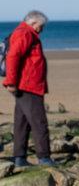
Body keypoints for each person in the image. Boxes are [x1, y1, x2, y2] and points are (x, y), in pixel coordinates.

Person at [2, 10, 54, 168]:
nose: (42, 29)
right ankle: (44, 157)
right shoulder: (25, 34)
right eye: (41, 26)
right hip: (28, 86)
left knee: (22, 122)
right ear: (33, 23)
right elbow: (13, 57)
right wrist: (10, 82)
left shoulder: (25, 33)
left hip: (27, 85)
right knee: (39, 122)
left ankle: (20, 157)